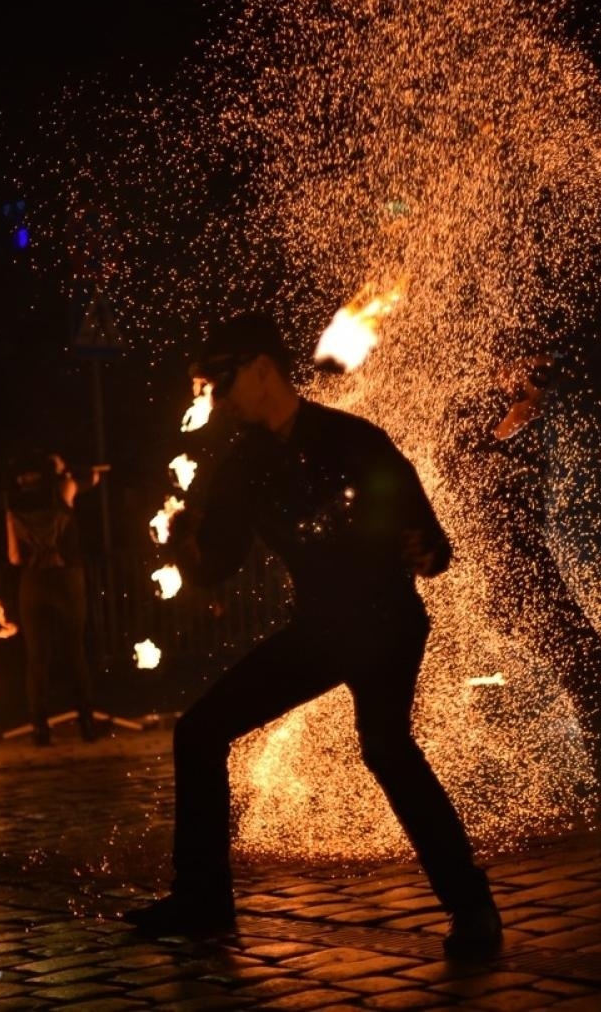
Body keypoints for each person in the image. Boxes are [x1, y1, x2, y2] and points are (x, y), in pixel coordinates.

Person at [124, 311, 501, 958]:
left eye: (224, 381)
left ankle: (473, 910)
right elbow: (217, 565)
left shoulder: (355, 440)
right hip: (323, 629)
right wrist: (183, 539)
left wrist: (424, 549)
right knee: (199, 731)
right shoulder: (243, 466)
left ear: (262, 371)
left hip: (385, 620)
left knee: (385, 748)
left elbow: (433, 542)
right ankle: (203, 901)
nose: (217, 398)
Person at [447, 355, 601, 817]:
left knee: (581, 661)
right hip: (503, 569)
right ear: (504, 367)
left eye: (548, 377)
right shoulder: (473, 408)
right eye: (534, 373)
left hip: (525, 565)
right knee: (584, 657)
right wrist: (510, 419)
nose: (541, 387)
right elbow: (460, 466)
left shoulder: (524, 421)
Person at [5, 451, 95, 745]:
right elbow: (92, 477)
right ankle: (87, 726)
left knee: (36, 660)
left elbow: (15, 557)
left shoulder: (13, 505)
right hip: (67, 578)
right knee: (75, 653)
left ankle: (40, 730)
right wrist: (65, 469)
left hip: (33, 581)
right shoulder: (62, 490)